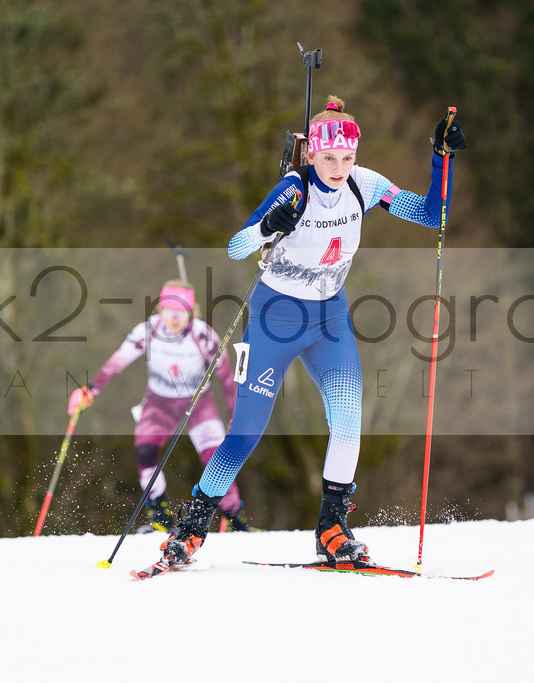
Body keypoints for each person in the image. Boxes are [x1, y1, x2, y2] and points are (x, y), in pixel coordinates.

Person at [159, 95, 466, 565]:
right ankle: (193, 526)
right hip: (274, 320)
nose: (339, 167)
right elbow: (237, 247)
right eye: (328, 159)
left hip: (329, 321)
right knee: (245, 433)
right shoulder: (294, 188)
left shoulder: (366, 184)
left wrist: (440, 159)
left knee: (347, 422)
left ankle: (332, 528)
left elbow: (429, 214)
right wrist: (267, 226)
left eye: (347, 157)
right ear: (312, 154)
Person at [68, 280, 248, 532]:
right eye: (169, 310)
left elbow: (227, 377)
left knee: (217, 458)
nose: (174, 318)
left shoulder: (203, 336)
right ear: (160, 310)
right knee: (145, 450)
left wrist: (236, 415)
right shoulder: (147, 331)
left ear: (191, 311)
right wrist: (91, 389)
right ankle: (160, 516)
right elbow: (117, 362)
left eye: (181, 311)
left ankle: (234, 518)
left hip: (198, 404)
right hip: (159, 403)